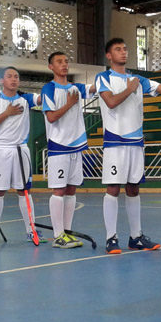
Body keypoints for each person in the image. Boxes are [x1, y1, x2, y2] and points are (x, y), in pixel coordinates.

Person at [95, 38, 161, 254]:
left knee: (134, 188)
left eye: (125, 48)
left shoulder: (138, 79)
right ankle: (111, 238)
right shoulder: (104, 78)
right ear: (109, 55)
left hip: (136, 142)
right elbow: (110, 102)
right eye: (118, 49)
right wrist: (129, 89)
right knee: (113, 188)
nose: (123, 52)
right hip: (114, 142)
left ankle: (136, 237)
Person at [0, 66, 44, 245]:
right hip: (0, 150)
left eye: (16, 76)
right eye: (9, 76)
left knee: (24, 190)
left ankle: (30, 230)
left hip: (20, 149)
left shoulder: (26, 98)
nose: (13, 79)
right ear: (2, 81)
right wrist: (6, 113)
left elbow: (42, 99)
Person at [42, 52, 92, 249]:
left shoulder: (76, 88)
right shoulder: (49, 88)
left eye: (66, 61)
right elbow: (51, 117)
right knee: (59, 189)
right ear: (51, 67)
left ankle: (67, 231)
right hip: (58, 146)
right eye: (59, 62)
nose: (64, 65)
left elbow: (95, 88)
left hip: (76, 146)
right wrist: (70, 104)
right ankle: (58, 235)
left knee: (71, 189)